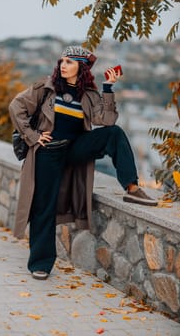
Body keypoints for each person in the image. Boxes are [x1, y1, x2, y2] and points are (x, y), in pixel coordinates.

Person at [9, 46, 158, 280]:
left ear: (82, 66)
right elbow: (15, 107)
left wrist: (108, 88)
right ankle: (40, 263)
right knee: (43, 206)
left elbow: (107, 119)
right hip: (48, 151)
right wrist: (34, 137)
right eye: (62, 61)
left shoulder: (88, 94)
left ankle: (131, 186)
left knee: (114, 133)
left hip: (75, 148)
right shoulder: (45, 88)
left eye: (69, 62)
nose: (63, 65)